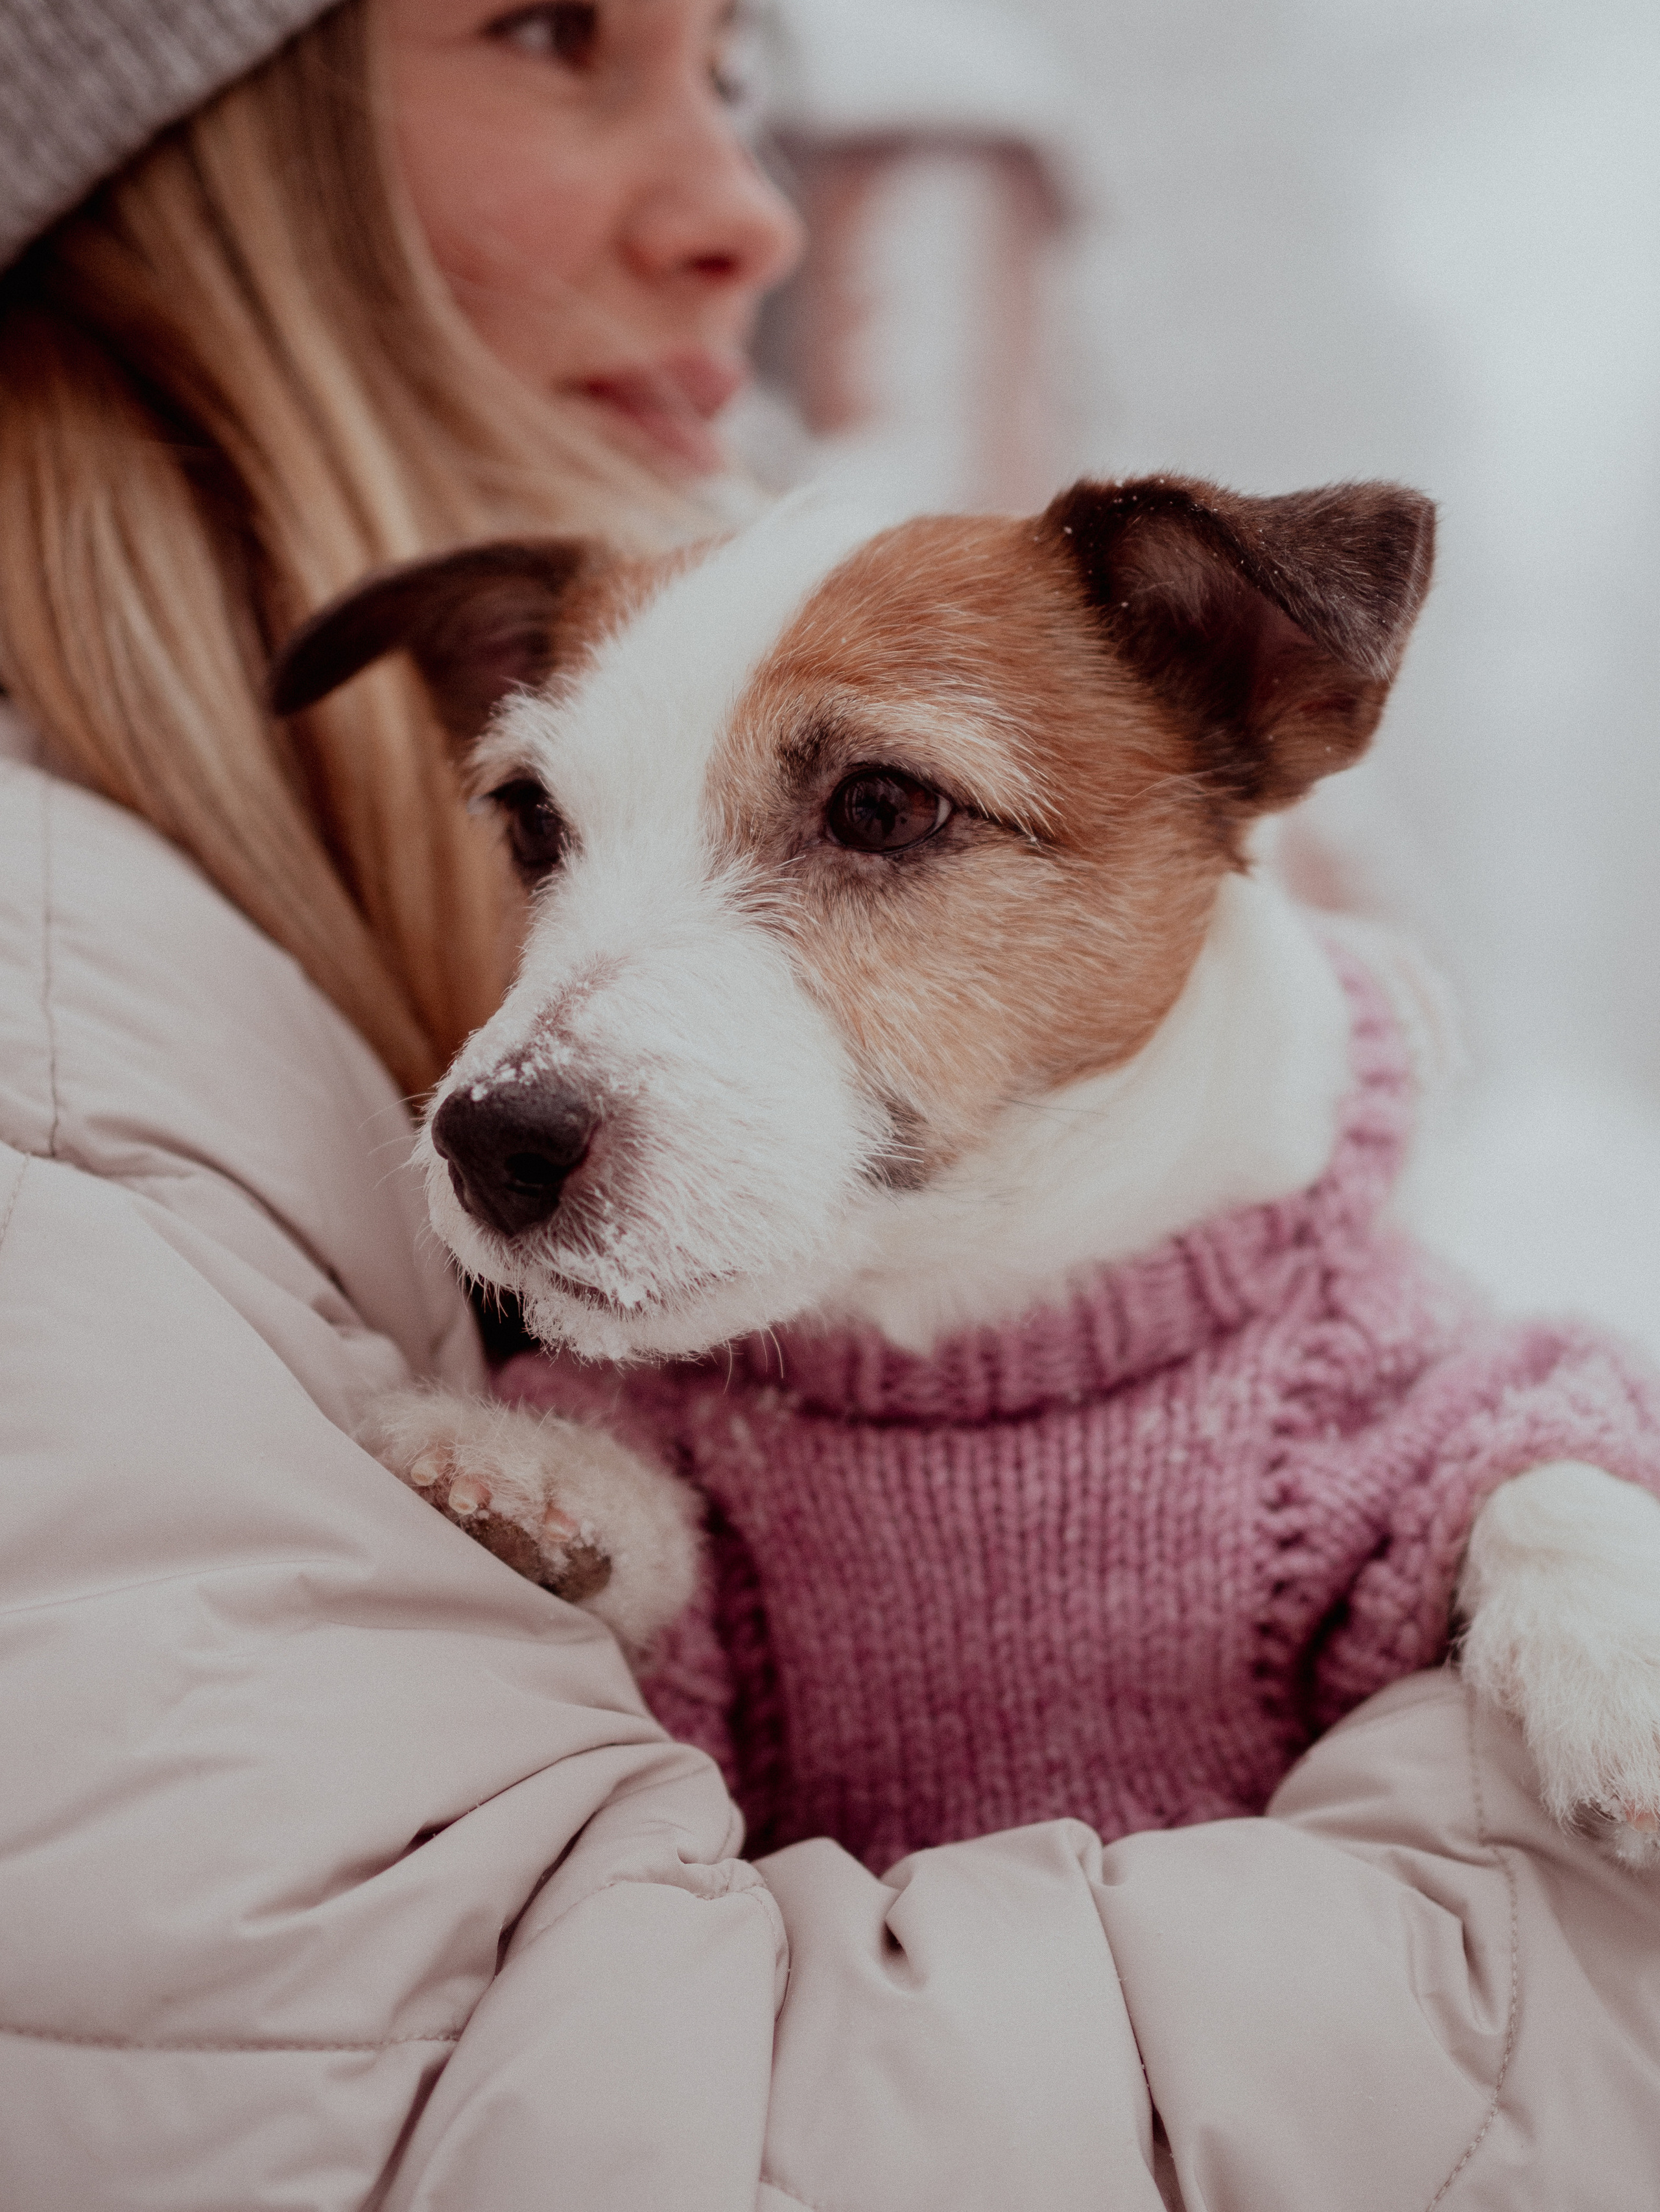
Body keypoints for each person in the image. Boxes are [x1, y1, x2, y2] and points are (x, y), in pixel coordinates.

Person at [0, 4, 1657, 2207]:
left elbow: (1494, 1463)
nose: (506, 1092)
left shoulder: (1393, 1394)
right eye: (553, 830)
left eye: (876, 812)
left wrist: (1554, 1539)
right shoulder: (132, 1071)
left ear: (1262, 692)